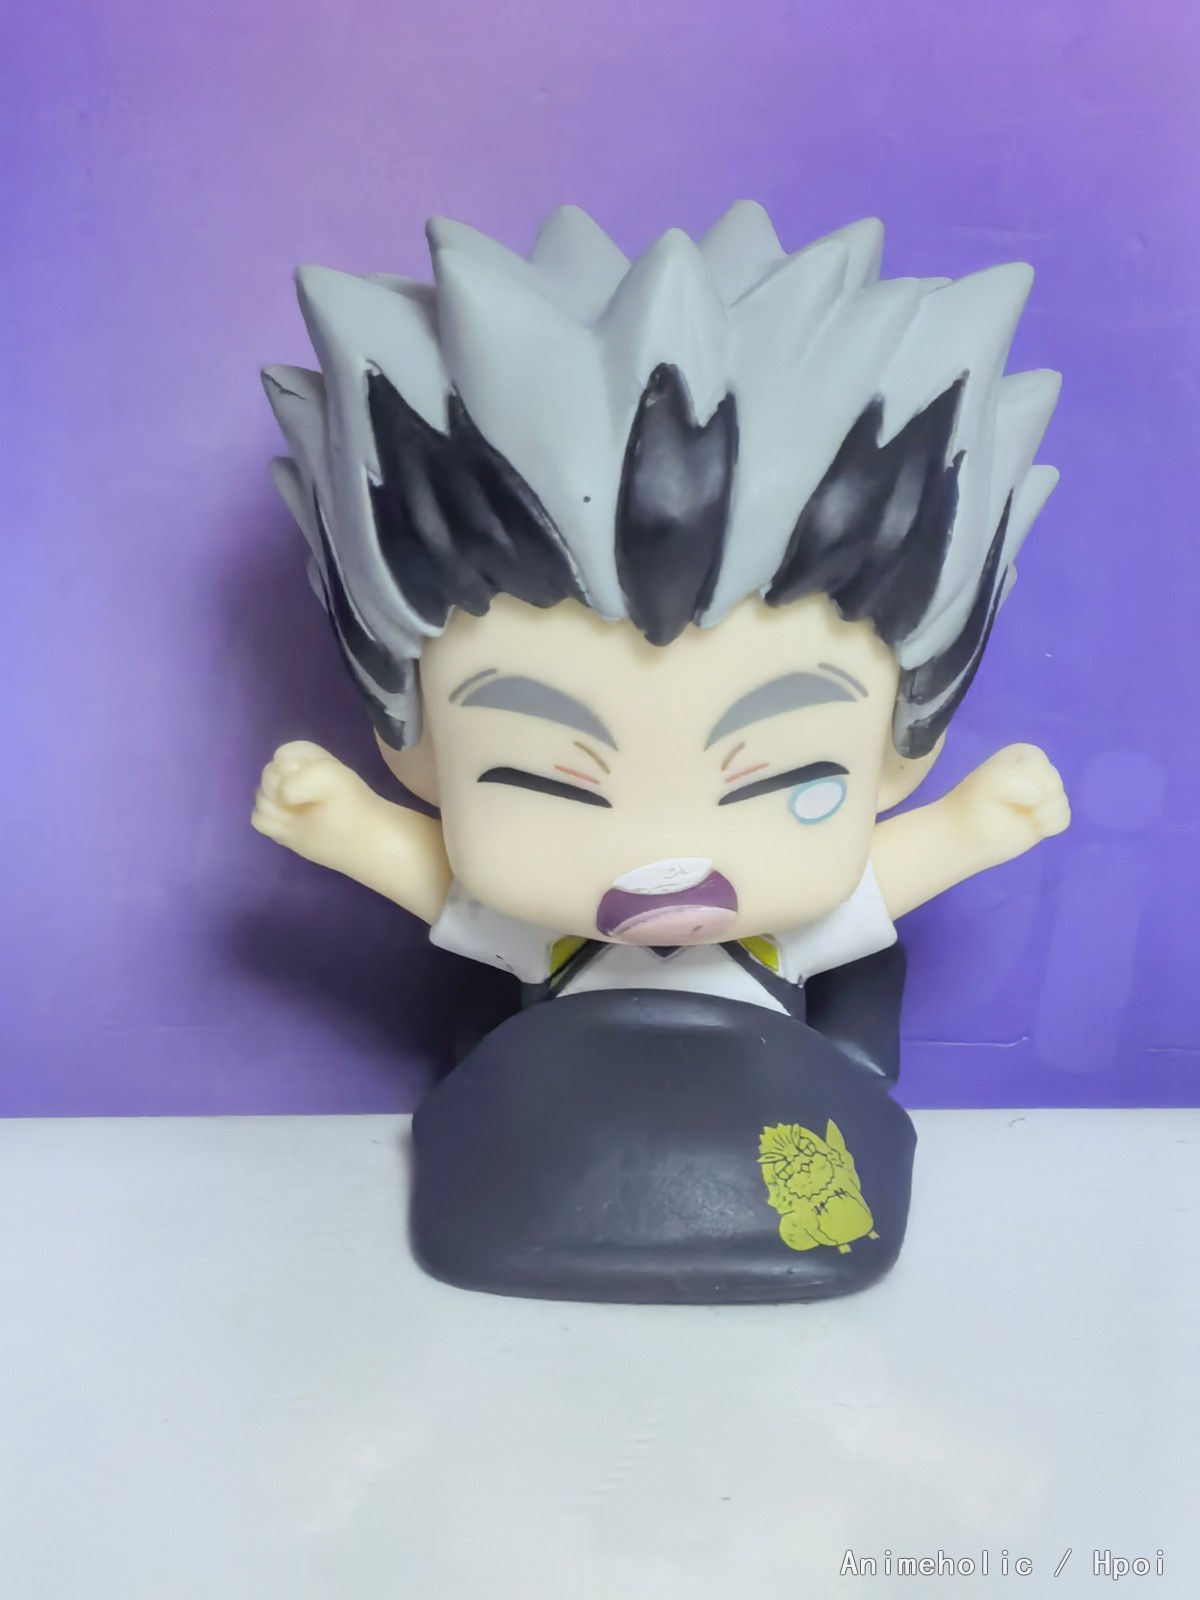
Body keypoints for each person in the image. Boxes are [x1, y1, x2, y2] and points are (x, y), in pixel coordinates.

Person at [252, 203, 1068, 1302]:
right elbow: (432, 880)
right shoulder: (533, 937)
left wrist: (974, 825)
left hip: (777, 1124)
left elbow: (889, 877)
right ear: (417, 747)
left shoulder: (798, 931)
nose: (664, 854)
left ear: (899, 750)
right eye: (534, 782)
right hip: (548, 1144)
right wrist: (344, 825)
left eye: (790, 781)